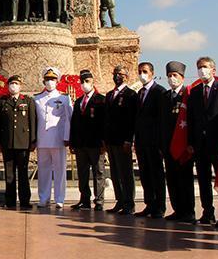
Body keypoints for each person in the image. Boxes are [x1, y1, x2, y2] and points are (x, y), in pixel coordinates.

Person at [187, 57, 218, 227]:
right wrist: (191, 142)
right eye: (199, 67)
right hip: (200, 143)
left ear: (213, 70)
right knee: (203, 179)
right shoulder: (195, 92)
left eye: (205, 67)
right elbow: (191, 119)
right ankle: (207, 212)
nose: (202, 70)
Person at [160, 61, 196, 223]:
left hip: (183, 146)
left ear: (182, 77)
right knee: (172, 180)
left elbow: (193, 120)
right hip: (168, 145)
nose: (171, 78)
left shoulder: (189, 95)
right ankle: (177, 209)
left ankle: (188, 211)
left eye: (174, 75)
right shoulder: (165, 97)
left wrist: (190, 143)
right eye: (169, 76)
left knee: (184, 179)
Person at [34, 67, 72, 209]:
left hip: (58, 138)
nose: (50, 82)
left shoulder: (63, 98)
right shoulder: (37, 98)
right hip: (42, 139)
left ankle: (60, 198)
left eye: (53, 79)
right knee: (43, 170)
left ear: (57, 81)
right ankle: (43, 198)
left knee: (60, 169)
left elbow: (68, 118)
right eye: (48, 79)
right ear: (43, 81)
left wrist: (67, 137)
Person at [0, 75, 36, 209]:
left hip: (23, 143)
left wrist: (33, 141)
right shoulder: (2, 101)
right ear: (8, 86)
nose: (14, 86)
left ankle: (25, 201)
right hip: (8, 143)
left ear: (20, 86)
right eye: (12, 83)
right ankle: (10, 201)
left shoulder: (28, 101)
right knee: (9, 174)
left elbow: (32, 121)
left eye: (16, 83)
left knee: (23, 173)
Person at [133, 62, 167, 218]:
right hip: (141, 141)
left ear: (152, 73)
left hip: (154, 141)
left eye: (145, 71)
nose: (142, 74)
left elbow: (161, 119)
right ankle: (149, 204)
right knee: (145, 174)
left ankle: (159, 206)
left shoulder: (159, 92)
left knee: (156, 174)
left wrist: (160, 142)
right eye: (140, 71)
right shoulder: (140, 93)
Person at [70, 69, 106, 211]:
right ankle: (84, 199)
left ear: (92, 82)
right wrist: (73, 142)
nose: (84, 84)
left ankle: (99, 201)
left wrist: (104, 142)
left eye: (87, 81)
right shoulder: (79, 101)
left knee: (98, 172)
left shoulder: (100, 100)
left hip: (96, 144)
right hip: (81, 144)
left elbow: (104, 123)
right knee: (82, 173)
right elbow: (74, 123)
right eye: (82, 82)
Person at [104, 65, 137, 215]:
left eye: (121, 74)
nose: (118, 76)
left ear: (127, 76)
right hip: (111, 140)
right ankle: (120, 200)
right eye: (116, 73)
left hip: (123, 140)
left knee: (125, 172)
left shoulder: (131, 95)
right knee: (115, 172)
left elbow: (131, 120)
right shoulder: (110, 95)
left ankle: (129, 202)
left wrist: (129, 140)